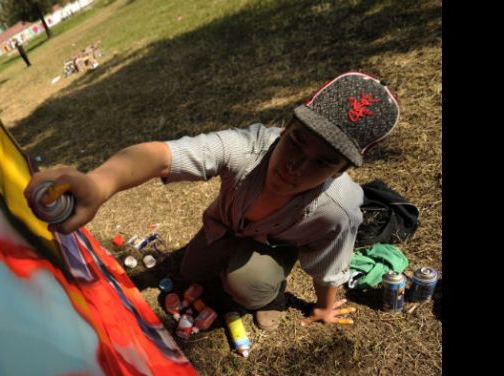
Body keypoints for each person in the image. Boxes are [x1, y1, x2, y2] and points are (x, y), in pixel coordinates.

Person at [25, 72, 400, 330]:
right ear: (285, 128)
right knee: (191, 272)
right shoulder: (247, 147)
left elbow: (328, 266)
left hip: (276, 245)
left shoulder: (339, 209)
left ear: (339, 170)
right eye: (297, 142)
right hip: (223, 226)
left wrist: (323, 306)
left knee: (249, 286)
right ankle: (232, 261)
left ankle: (268, 295)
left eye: (322, 162)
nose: (296, 165)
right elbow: (162, 156)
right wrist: (99, 182)